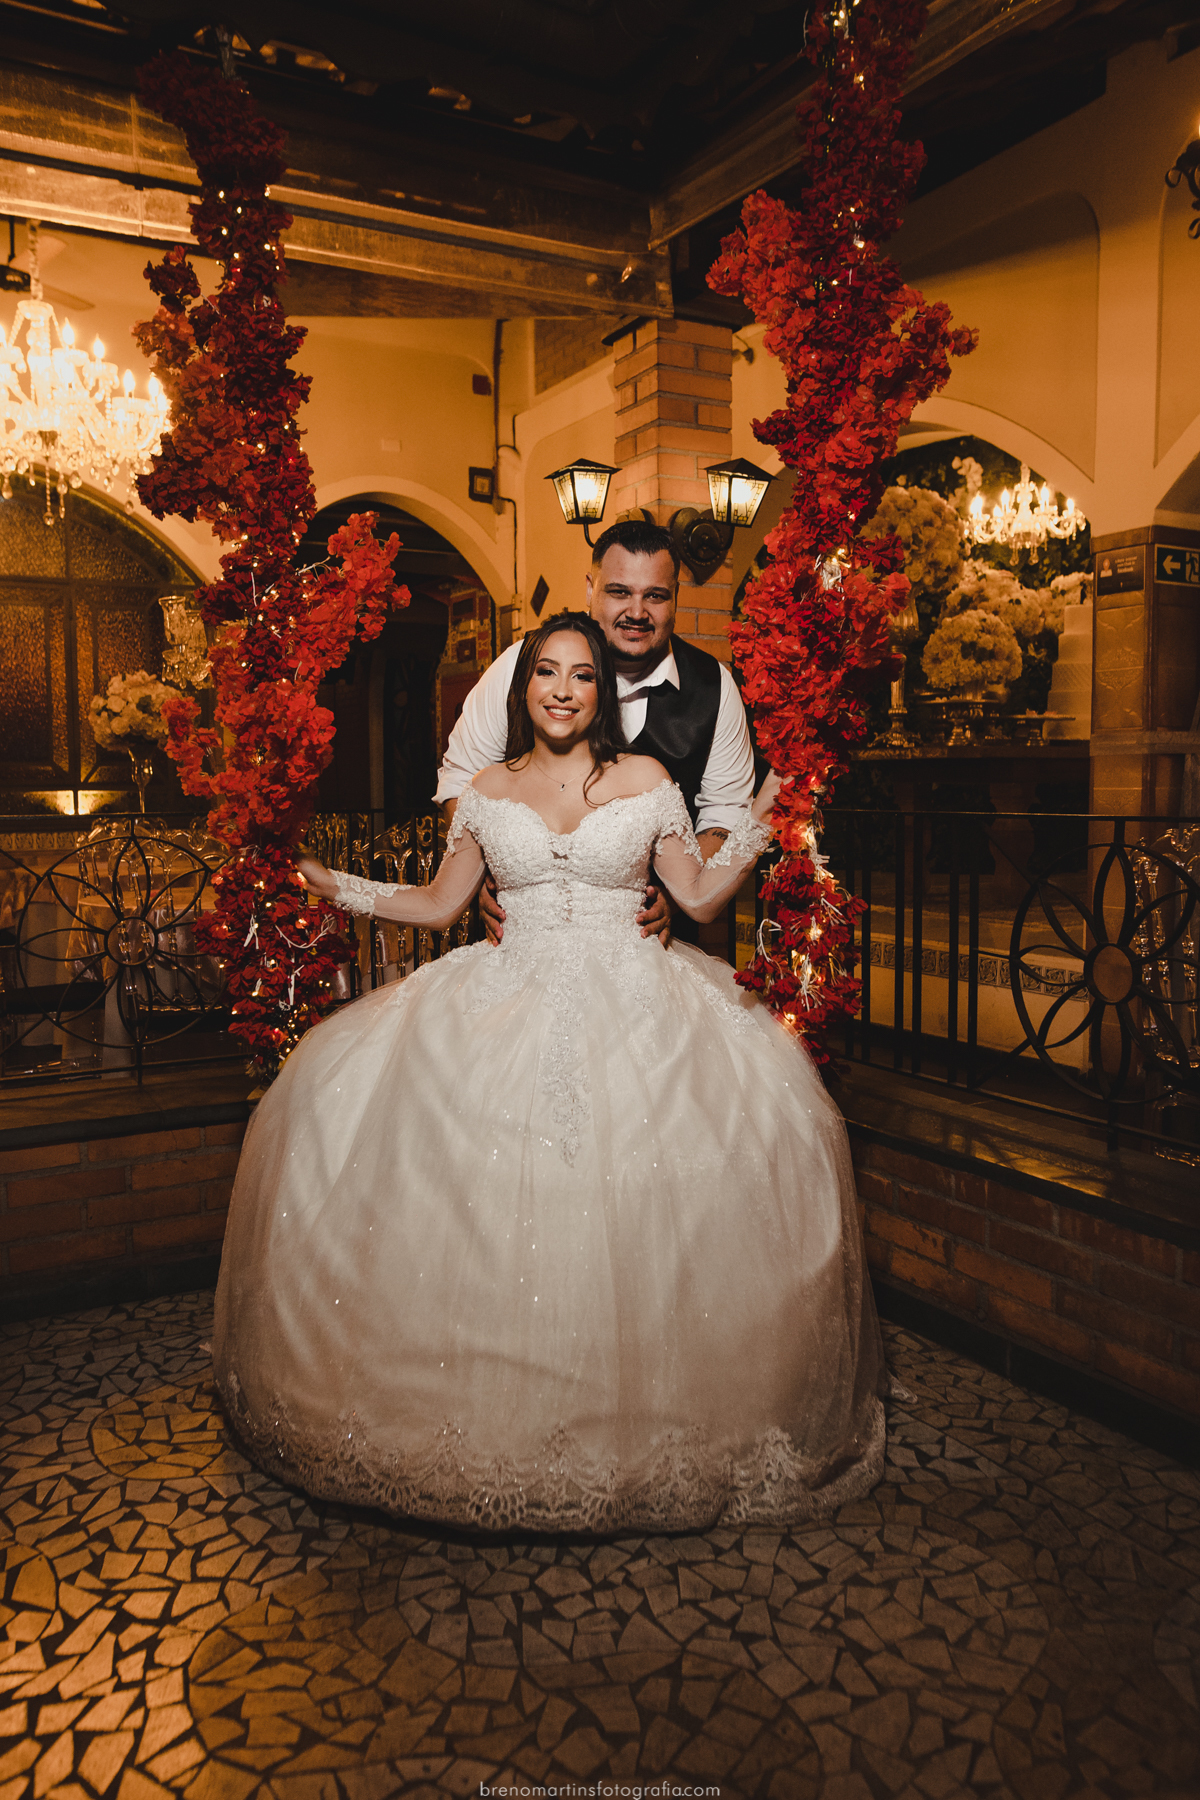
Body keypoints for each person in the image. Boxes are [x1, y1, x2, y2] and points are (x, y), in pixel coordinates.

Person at [213, 612, 885, 1533]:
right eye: (545, 674)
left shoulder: (646, 780)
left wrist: (765, 823)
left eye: (580, 674)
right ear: (523, 688)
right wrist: (328, 883)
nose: (563, 689)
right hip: (503, 989)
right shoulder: (487, 788)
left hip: (640, 998)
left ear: (601, 691)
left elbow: (693, 894)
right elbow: (443, 903)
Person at [436, 517, 755, 945]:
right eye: (619, 592)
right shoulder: (521, 667)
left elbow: (724, 815)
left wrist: (677, 896)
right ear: (591, 589)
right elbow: (461, 779)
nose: (637, 613)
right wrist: (486, 872)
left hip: (661, 949)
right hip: (526, 939)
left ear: (675, 598)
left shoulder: (715, 687)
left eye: (655, 596)